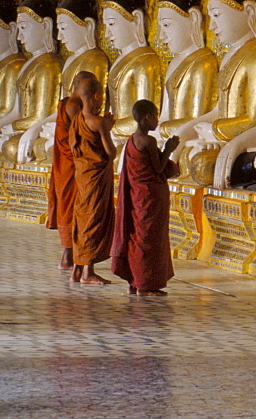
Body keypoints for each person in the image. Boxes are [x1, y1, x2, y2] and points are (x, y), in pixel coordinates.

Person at [111, 99, 179, 296]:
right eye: (156, 116)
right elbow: (157, 168)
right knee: (149, 240)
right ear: (147, 117)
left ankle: (134, 281)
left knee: (137, 237)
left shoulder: (131, 139)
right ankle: (145, 285)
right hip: (149, 197)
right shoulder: (149, 141)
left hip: (137, 196)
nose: (158, 120)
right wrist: (169, 149)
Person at [46, 70, 98, 270]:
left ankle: (74, 258)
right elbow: (82, 136)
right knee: (73, 206)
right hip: (71, 165)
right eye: (94, 92)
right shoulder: (73, 106)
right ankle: (69, 256)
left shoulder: (70, 103)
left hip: (68, 163)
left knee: (75, 206)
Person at [69, 74, 116, 285]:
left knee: (82, 216)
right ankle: (88, 271)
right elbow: (111, 152)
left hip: (83, 176)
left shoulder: (76, 119)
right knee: (93, 219)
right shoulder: (97, 122)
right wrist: (108, 126)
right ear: (97, 96)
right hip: (95, 178)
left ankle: (77, 270)